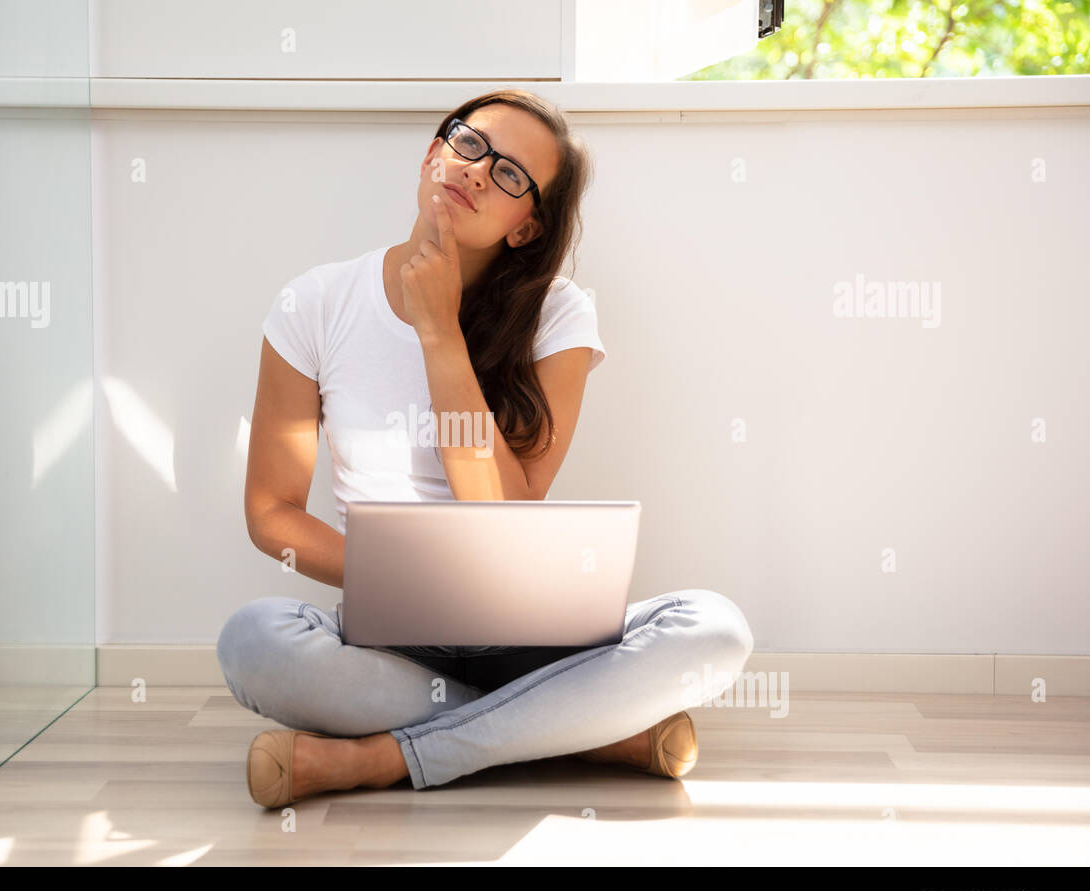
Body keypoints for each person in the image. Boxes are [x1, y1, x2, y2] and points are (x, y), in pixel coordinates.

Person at [218, 89, 754, 809]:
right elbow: (271, 512)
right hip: (390, 631)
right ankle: (582, 731)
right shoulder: (314, 303)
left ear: (527, 227)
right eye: (469, 144)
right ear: (432, 152)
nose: (476, 170)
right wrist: (399, 580)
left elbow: (500, 511)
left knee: (715, 630)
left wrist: (439, 331)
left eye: (509, 174)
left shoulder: (561, 313)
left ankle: (379, 761)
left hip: (526, 626)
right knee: (253, 641)